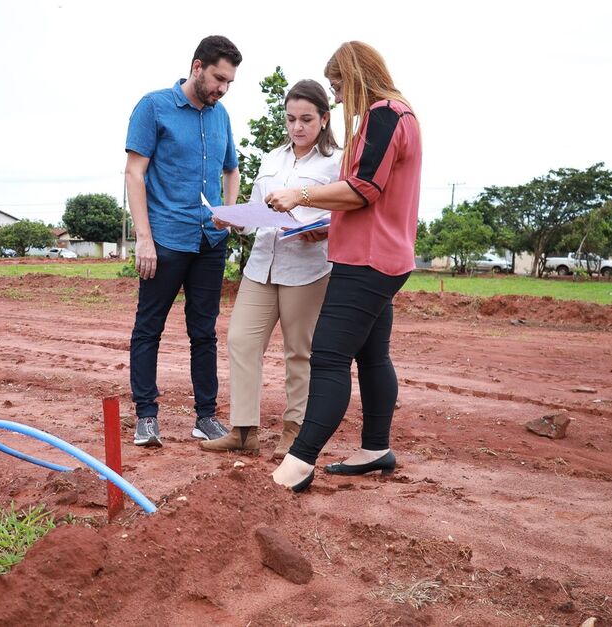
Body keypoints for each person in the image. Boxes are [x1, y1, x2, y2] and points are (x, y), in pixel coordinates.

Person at [265, 41, 422, 491]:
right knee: (373, 356)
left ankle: (299, 462)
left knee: (329, 358)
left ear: (354, 78)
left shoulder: (384, 114)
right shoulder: (401, 115)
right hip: (383, 254)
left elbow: (364, 189)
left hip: (367, 260)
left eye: (337, 86)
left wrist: (302, 195)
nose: (335, 96)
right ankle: (375, 448)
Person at [200, 80, 342, 459]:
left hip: (307, 269)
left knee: (300, 353)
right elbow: (254, 212)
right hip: (261, 265)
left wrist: (324, 230)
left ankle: (294, 433)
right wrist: (230, 219)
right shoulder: (272, 158)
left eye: (306, 119)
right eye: (291, 119)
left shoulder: (336, 163)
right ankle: (244, 431)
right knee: (241, 341)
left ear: (325, 119)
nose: (297, 127)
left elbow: (346, 211)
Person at [124, 35, 242, 448]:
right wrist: (144, 239)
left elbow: (231, 169)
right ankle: (146, 417)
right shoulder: (153, 107)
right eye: (217, 78)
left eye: (228, 82)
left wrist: (229, 211)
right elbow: (134, 173)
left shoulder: (221, 115)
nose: (222, 88)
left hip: (210, 241)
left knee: (204, 331)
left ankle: (205, 418)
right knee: (148, 328)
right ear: (197, 67)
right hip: (167, 239)